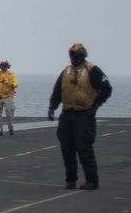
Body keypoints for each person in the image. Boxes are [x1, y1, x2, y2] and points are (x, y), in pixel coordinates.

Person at [47, 43, 113, 190]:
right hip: (67, 114)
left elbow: (107, 88)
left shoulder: (93, 70)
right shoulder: (66, 71)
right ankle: (71, 180)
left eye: (75, 56)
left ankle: (92, 180)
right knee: (67, 147)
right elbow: (58, 90)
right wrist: (52, 106)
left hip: (84, 114)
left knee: (84, 147)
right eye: (71, 55)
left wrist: (95, 106)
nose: (73, 59)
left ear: (82, 56)